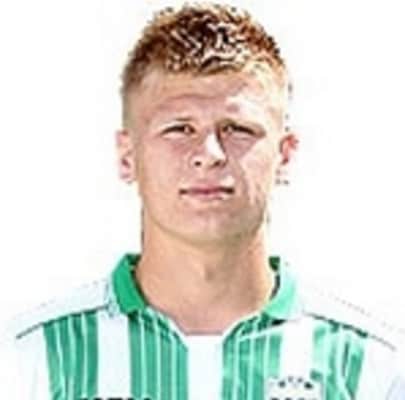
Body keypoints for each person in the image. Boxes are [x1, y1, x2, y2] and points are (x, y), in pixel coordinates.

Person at [3, 2, 405, 399]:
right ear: (128, 157)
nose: (209, 153)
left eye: (237, 129)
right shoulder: (28, 362)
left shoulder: (373, 369)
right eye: (180, 129)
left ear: (284, 156)